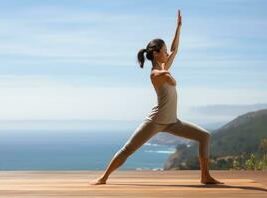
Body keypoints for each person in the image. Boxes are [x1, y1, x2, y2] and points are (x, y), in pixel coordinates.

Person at [90, 9, 223, 185]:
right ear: (155, 54)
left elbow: (176, 50)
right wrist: (167, 73)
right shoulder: (155, 74)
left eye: (167, 51)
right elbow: (170, 79)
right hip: (156, 121)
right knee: (128, 149)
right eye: (164, 51)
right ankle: (103, 177)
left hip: (172, 122)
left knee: (204, 136)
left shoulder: (164, 67)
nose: (168, 53)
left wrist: (178, 28)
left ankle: (205, 176)